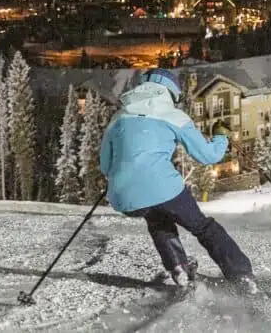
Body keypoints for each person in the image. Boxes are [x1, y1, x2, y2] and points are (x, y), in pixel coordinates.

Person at [99, 68, 257, 293]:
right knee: (203, 227)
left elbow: (105, 165)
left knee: (157, 219)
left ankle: (178, 268)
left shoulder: (118, 118)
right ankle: (240, 274)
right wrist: (221, 136)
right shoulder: (173, 116)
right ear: (171, 92)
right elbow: (208, 156)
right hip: (162, 187)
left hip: (124, 197)